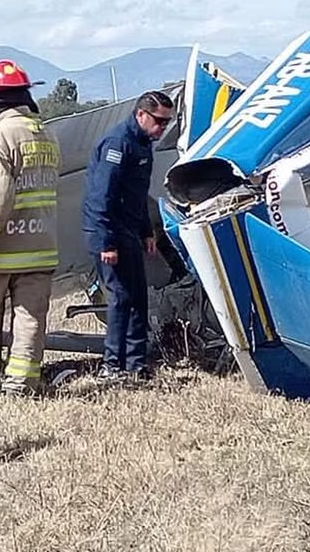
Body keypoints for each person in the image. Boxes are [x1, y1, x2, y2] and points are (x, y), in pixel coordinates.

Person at [0, 60, 61, 396]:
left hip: (1, 249)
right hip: (41, 246)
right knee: (31, 320)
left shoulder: (0, 135)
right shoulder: (45, 134)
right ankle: (20, 385)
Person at [82, 90, 174, 381]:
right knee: (120, 297)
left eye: (167, 123)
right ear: (141, 115)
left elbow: (136, 194)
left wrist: (147, 231)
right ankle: (113, 364)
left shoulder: (144, 143)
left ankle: (136, 363)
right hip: (108, 232)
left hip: (130, 231)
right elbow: (101, 197)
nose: (162, 128)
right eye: (159, 121)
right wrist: (106, 242)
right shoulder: (117, 144)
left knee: (137, 296)